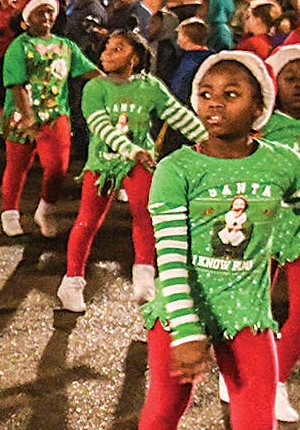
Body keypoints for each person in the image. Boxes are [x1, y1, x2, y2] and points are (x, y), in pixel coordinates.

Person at [130, 52, 300, 430]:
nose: (213, 104)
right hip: (184, 309)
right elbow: (172, 259)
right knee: (166, 405)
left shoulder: (283, 164)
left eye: (231, 94)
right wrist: (187, 333)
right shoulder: (177, 168)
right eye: (206, 93)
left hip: (249, 313)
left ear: (260, 104)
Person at [56, 30, 206, 313]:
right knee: (88, 220)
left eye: (117, 49)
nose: (106, 55)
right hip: (103, 162)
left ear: (135, 58)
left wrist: (210, 139)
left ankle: (144, 277)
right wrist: (131, 149)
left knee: (146, 213)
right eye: (106, 49)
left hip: (138, 163)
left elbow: (178, 114)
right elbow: (101, 127)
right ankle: (72, 282)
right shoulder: (95, 88)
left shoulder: (150, 87)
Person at [0, 0, 100, 237]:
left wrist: (115, 83)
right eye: (39, 12)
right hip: (22, 117)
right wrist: (27, 117)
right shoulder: (19, 47)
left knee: (57, 167)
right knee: (17, 166)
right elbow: (17, 85)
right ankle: (10, 212)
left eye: (49, 12)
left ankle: (46, 209)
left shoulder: (66, 46)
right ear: (26, 19)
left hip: (56, 115)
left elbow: (88, 71)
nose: (46, 17)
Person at [258, 45, 300, 422]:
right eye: (291, 78)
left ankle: (275, 381)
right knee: (252, 304)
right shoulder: (264, 127)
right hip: (263, 225)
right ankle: (240, 372)